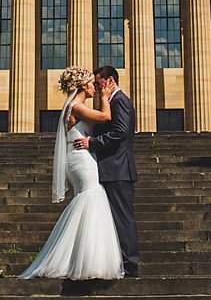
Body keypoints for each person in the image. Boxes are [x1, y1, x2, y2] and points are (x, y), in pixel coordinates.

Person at [18, 66, 124, 280]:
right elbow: (105, 117)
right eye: (92, 84)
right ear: (84, 85)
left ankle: (81, 259)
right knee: (92, 197)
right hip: (81, 160)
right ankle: (86, 262)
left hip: (80, 158)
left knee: (87, 200)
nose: (96, 87)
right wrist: (105, 97)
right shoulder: (76, 106)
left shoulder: (75, 106)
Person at [74, 65, 139, 278]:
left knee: (122, 219)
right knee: (114, 220)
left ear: (110, 81)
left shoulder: (120, 101)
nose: (98, 88)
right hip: (110, 169)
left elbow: (120, 131)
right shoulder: (111, 102)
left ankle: (130, 266)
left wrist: (92, 143)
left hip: (118, 169)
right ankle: (120, 263)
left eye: (100, 83)